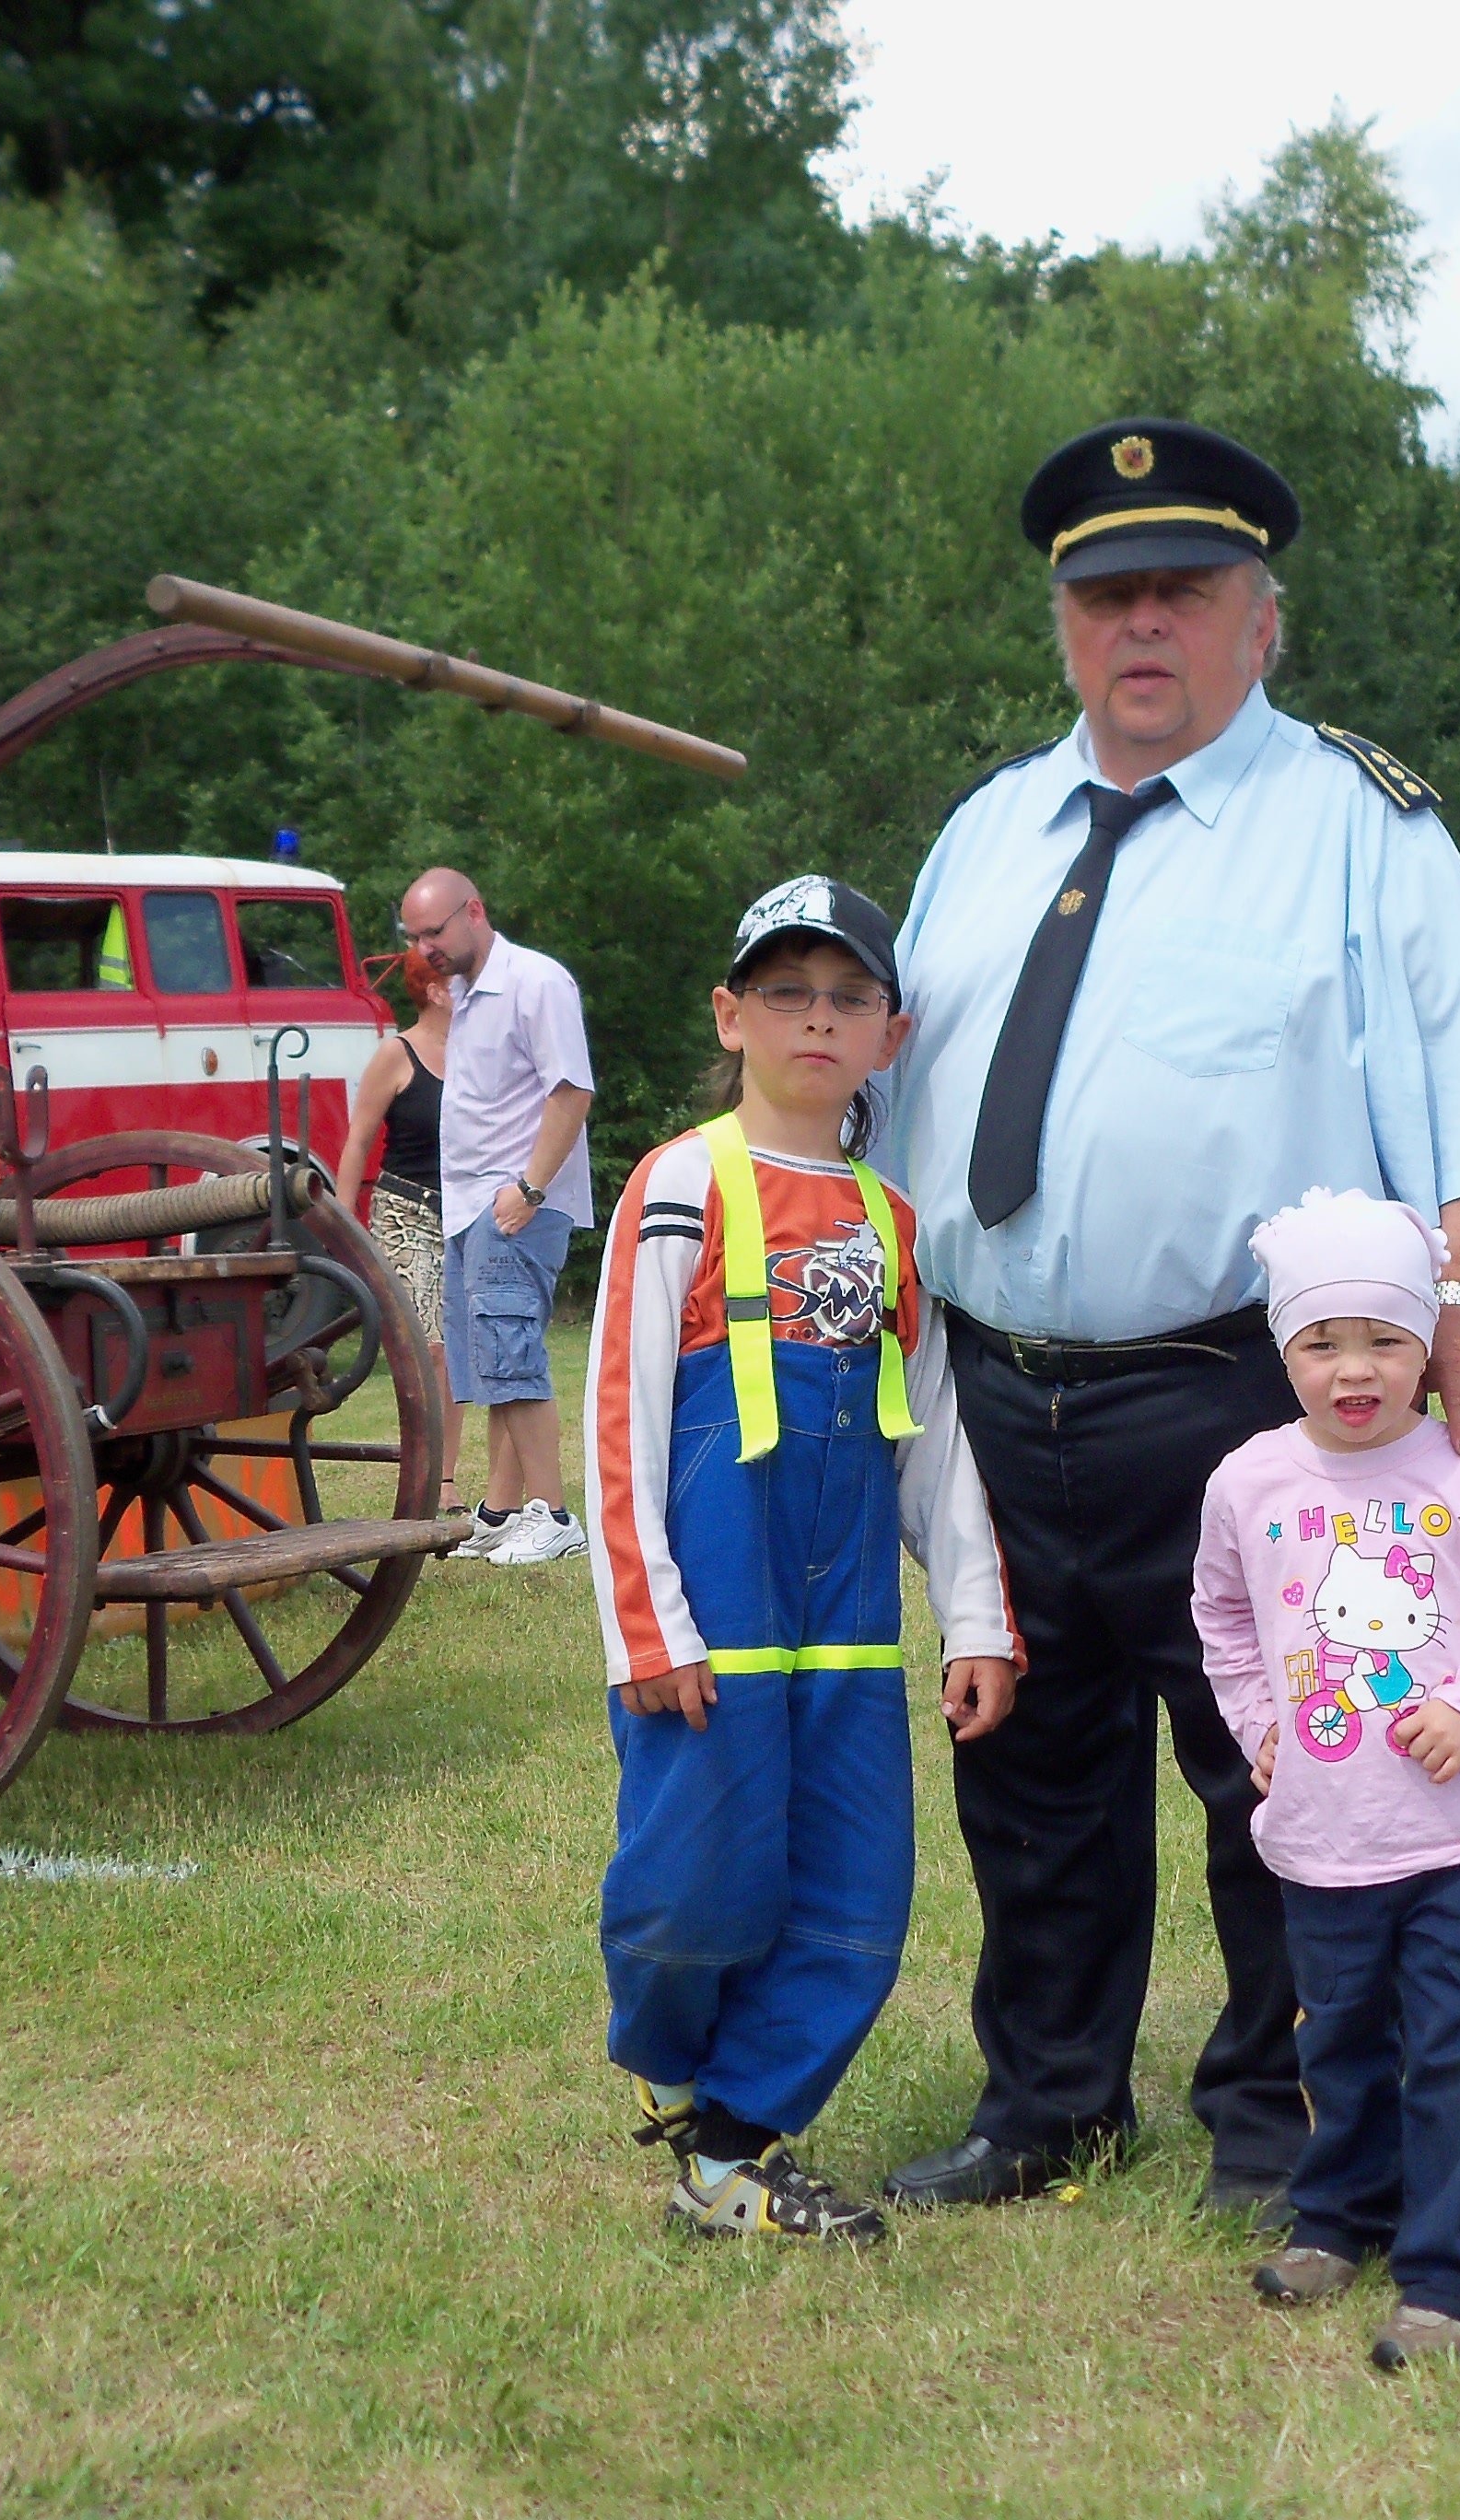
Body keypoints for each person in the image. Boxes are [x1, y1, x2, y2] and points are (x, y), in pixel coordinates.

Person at [878, 417, 1460, 2221]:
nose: (1141, 626)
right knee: (1025, 1771)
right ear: (1063, 624)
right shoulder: (985, 833)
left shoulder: (1358, 827)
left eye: (1182, 590)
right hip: (992, 1391)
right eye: (1106, 596)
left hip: (1246, 1397)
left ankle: (1287, 2116)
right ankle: (1049, 2107)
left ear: (1264, 620)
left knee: (1295, 1765)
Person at [582, 876, 1022, 2241]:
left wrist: (975, 1619)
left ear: (892, 1034)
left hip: (845, 1632)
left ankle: (732, 2148)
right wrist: (647, 1624)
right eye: (787, 993)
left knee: (855, 1895)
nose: (817, 1021)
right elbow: (622, 1412)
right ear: (732, 1015)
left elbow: (937, 1442)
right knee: (694, 1884)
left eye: (848, 999)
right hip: (714, 1621)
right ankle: (673, 2065)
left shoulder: (895, 1224)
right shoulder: (679, 1184)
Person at [1193, 1189, 1460, 2371]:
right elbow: (1224, 1620)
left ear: (1426, 1346)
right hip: (1325, 1838)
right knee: (1338, 2041)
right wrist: (1258, 1723)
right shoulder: (1248, 1481)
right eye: (1322, 1342)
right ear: (1284, 1350)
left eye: (1386, 1341)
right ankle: (1337, 2219)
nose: (1355, 1369)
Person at [396, 867, 594, 1569]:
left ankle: (556, 1515)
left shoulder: (536, 982)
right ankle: (504, 1513)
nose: (425, 948)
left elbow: (571, 1091)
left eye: (435, 932)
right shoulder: (466, 997)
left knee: (512, 1357)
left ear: (474, 911)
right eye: (414, 937)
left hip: (513, 1203)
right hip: (471, 1205)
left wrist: (530, 1188)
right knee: (489, 1363)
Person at [340, 947, 461, 1511]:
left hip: (463, 1212)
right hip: (405, 1211)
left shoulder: (478, 1053)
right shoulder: (397, 1053)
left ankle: (445, 1480)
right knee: (430, 1350)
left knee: (457, 1353)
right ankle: (426, 1479)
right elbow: (358, 1139)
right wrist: (342, 1228)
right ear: (435, 990)